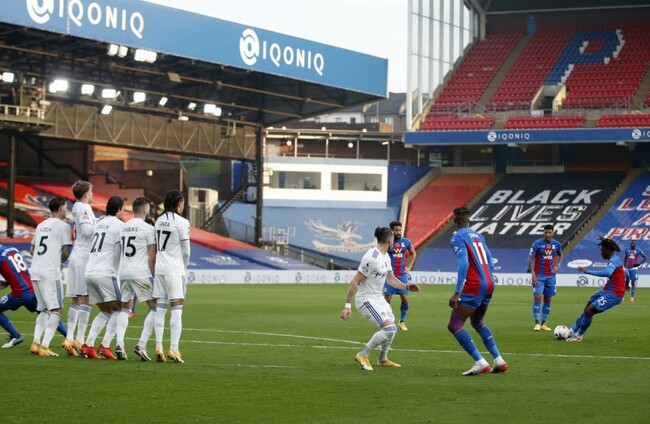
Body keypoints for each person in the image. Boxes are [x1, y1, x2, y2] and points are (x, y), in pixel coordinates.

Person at [340, 226, 420, 371]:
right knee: (389, 328)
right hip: (366, 300)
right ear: (389, 240)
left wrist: (407, 286)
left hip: (378, 299)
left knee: (392, 328)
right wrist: (347, 306)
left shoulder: (386, 256)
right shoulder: (371, 258)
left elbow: (390, 279)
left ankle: (382, 359)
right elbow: (354, 281)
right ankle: (363, 354)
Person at [448, 207, 507, 376]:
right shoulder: (479, 236)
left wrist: (457, 292)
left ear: (454, 221)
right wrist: (486, 278)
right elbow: (490, 261)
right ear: (469, 219)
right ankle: (499, 360)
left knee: (455, 324)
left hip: (475, 284)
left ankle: (480, 362)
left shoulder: (457, 237)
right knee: (477, 322)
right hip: (489, 282)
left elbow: (464, 263)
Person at [81, 196, 125, 360]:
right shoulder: (120, 226)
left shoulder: (99, 224)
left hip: (90, 272)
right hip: (106, 273)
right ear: (119, 209)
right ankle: (105, 346)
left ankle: (88, 345)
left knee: (106, 311)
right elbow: (123, 250)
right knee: (121, 309)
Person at [0, 244, 67, 349]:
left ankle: (16, 336)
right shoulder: (13, 249)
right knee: (48, 313)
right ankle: (69, 338)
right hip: (33, 288)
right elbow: (13, 274)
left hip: (19, 294)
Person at [29, 196, 72, 357]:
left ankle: (35, 343)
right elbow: (66, 251)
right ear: (61, 208)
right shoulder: (64, 226)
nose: (66, 210)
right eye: (65, 207)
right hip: (50, 271)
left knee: (44, 309)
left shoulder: (41, 225)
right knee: (56, 309)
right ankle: (45, 346)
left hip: (35, 270)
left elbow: (32, 250)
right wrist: (59, 262)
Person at [117, 197, 157, 361]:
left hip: (123, 271)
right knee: (156, 307)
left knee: (125, 309)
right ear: (146, 210)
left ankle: (119, 344)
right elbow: (152, 256)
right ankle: (142, 344)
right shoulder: (148, 229)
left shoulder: (123, 227)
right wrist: (151, 272)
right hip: (140, 272)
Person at [153, 190, 191, 363]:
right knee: (177, 309)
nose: (183, 206)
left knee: (160, 309)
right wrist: (183, 266)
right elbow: (186, 251)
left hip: (160, 269)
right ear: (177, 204)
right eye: (182, 203)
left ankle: (158, 347)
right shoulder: (182, 222)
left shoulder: (159, 221)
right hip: (175, 269)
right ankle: (174, 349)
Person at [569, 237, 626, 342]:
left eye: (602, 250)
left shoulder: (614, 261)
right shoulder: (615, 260)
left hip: (614, 294)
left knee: (589, 311)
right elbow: (625, 273)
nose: (601, 253)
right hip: (607, 290)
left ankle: (579, 336)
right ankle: (572, 330)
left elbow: (607, 272)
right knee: (587, 307)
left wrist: (587, 271)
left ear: (608, 250)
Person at [62, 180, 95, 356]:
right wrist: (101, 225)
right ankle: (79, 339)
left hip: (77, 255)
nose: (92, 194)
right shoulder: (84, 208)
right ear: (85, 194)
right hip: (84, 257)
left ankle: (70, 337)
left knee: (77, 299)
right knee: (87, 298)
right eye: (91, 192)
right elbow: (88, 231)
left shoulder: (75, 207)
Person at [527, 224, 563, 331]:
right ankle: (537, 323)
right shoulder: (537, 244)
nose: (547, 234)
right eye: (546, 232)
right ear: (543, 232)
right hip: (539, 276)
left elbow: (561, 254)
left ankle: (543, 324)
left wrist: (558, 265)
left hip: (551, 276)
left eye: (549, 232)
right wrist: (533, 275)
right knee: (537, 298)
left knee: (548, 299)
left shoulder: (557, 244)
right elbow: (530, 259)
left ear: (553, 233)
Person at [384, 220, 417, 331]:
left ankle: (402, 322)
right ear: (391, 231)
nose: (399, 232)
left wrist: (409, 266)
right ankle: (387, 321)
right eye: (396, 230)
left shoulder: (406, 242)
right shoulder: (387, 242)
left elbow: (413, 253)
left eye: (400, 230)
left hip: (402, 275)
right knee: (387, 300)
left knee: (405, 300)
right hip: (390, 276)